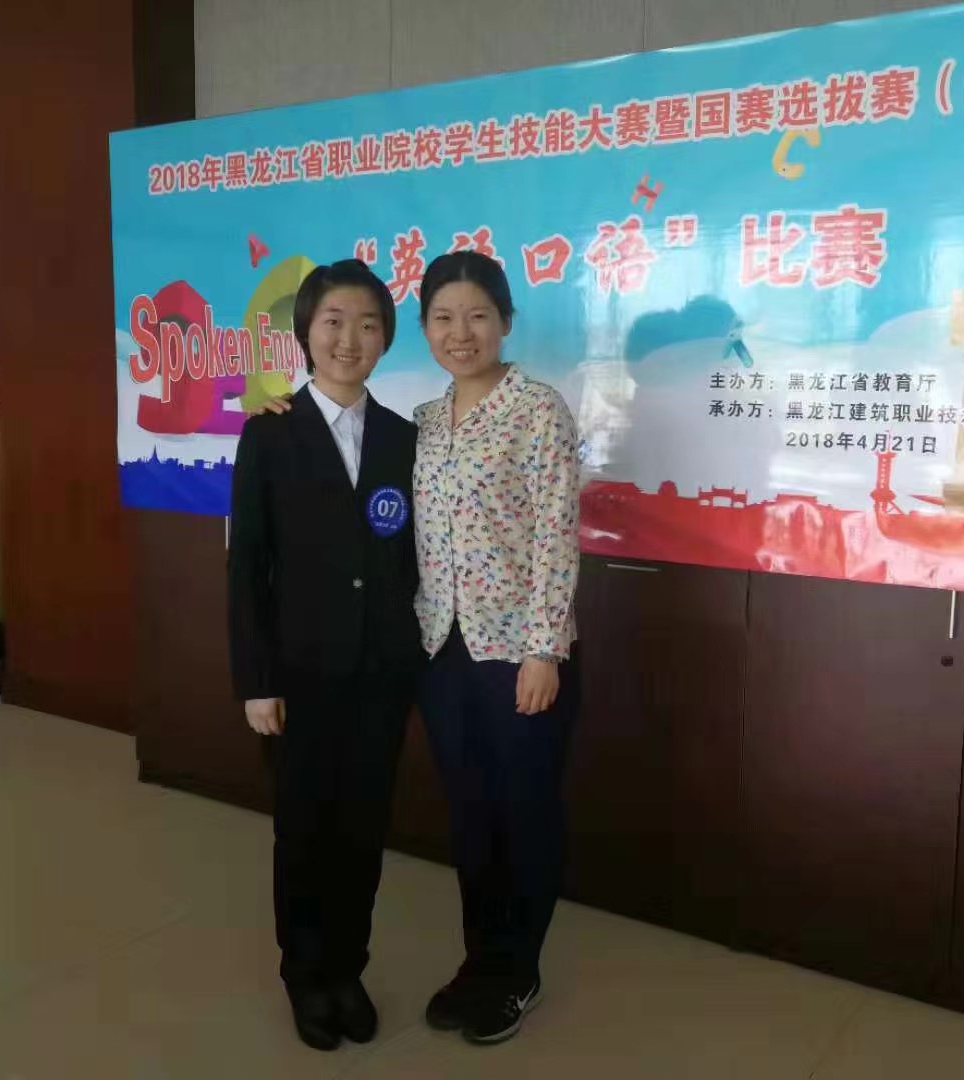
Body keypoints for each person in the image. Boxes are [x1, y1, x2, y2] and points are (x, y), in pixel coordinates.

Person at [227, 258, 423, 1053]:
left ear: (385, 339)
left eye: (367, 324)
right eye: (333, 322)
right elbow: (247, 567)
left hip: (381, 675)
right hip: (298, 677)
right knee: (304, 832)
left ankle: (348, 968)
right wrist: (256, 680)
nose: (350, 339)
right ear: (306, 333)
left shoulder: (406, 439)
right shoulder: (269, 433)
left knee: (363, 832)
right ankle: (305, 975)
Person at [411, 251, 582, 1046]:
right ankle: (479, 960)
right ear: (424, 329)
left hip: (520, 654)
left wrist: (543, 650)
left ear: (506, 322)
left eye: (477, 315)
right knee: (471, 816)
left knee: (524, 813)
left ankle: (518, 969)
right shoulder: (422, 421)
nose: (461, 332)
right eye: (443, 318)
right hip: (441, 651)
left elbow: (556, 533)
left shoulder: (537, 410)